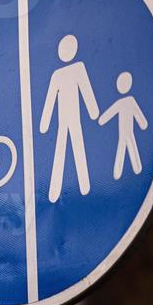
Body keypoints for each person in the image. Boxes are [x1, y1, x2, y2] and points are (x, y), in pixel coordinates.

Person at [39, 34, 101, 203]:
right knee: (62, 149)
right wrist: (44, 122)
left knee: (76, 147)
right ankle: (55, 191)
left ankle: (85, 187)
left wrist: (93, 111)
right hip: (62, 120)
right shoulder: (57, 75)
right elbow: (50, 99)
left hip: (75, 118)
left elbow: (86, 90)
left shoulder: (78, 68)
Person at [97, 70, 148, 180]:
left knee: (128, 144)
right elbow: (109, 113)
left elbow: (138, 114)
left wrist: (143, 123)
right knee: (125, 145)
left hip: (128, 130)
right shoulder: (122, 102)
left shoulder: (130, 101)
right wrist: (101, 120)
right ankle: (124, 171)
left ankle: (134, 168)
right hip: (124, 132)